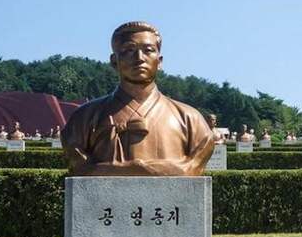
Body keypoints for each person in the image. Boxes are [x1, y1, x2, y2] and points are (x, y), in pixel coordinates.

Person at [62, 21, 214, 176]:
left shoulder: (191, 120)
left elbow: (192, 168)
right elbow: (81, 168)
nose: (139, 58)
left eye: (148, 50)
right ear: (114, 61)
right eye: (129, 50)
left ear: (159, 61)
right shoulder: (83, 118)